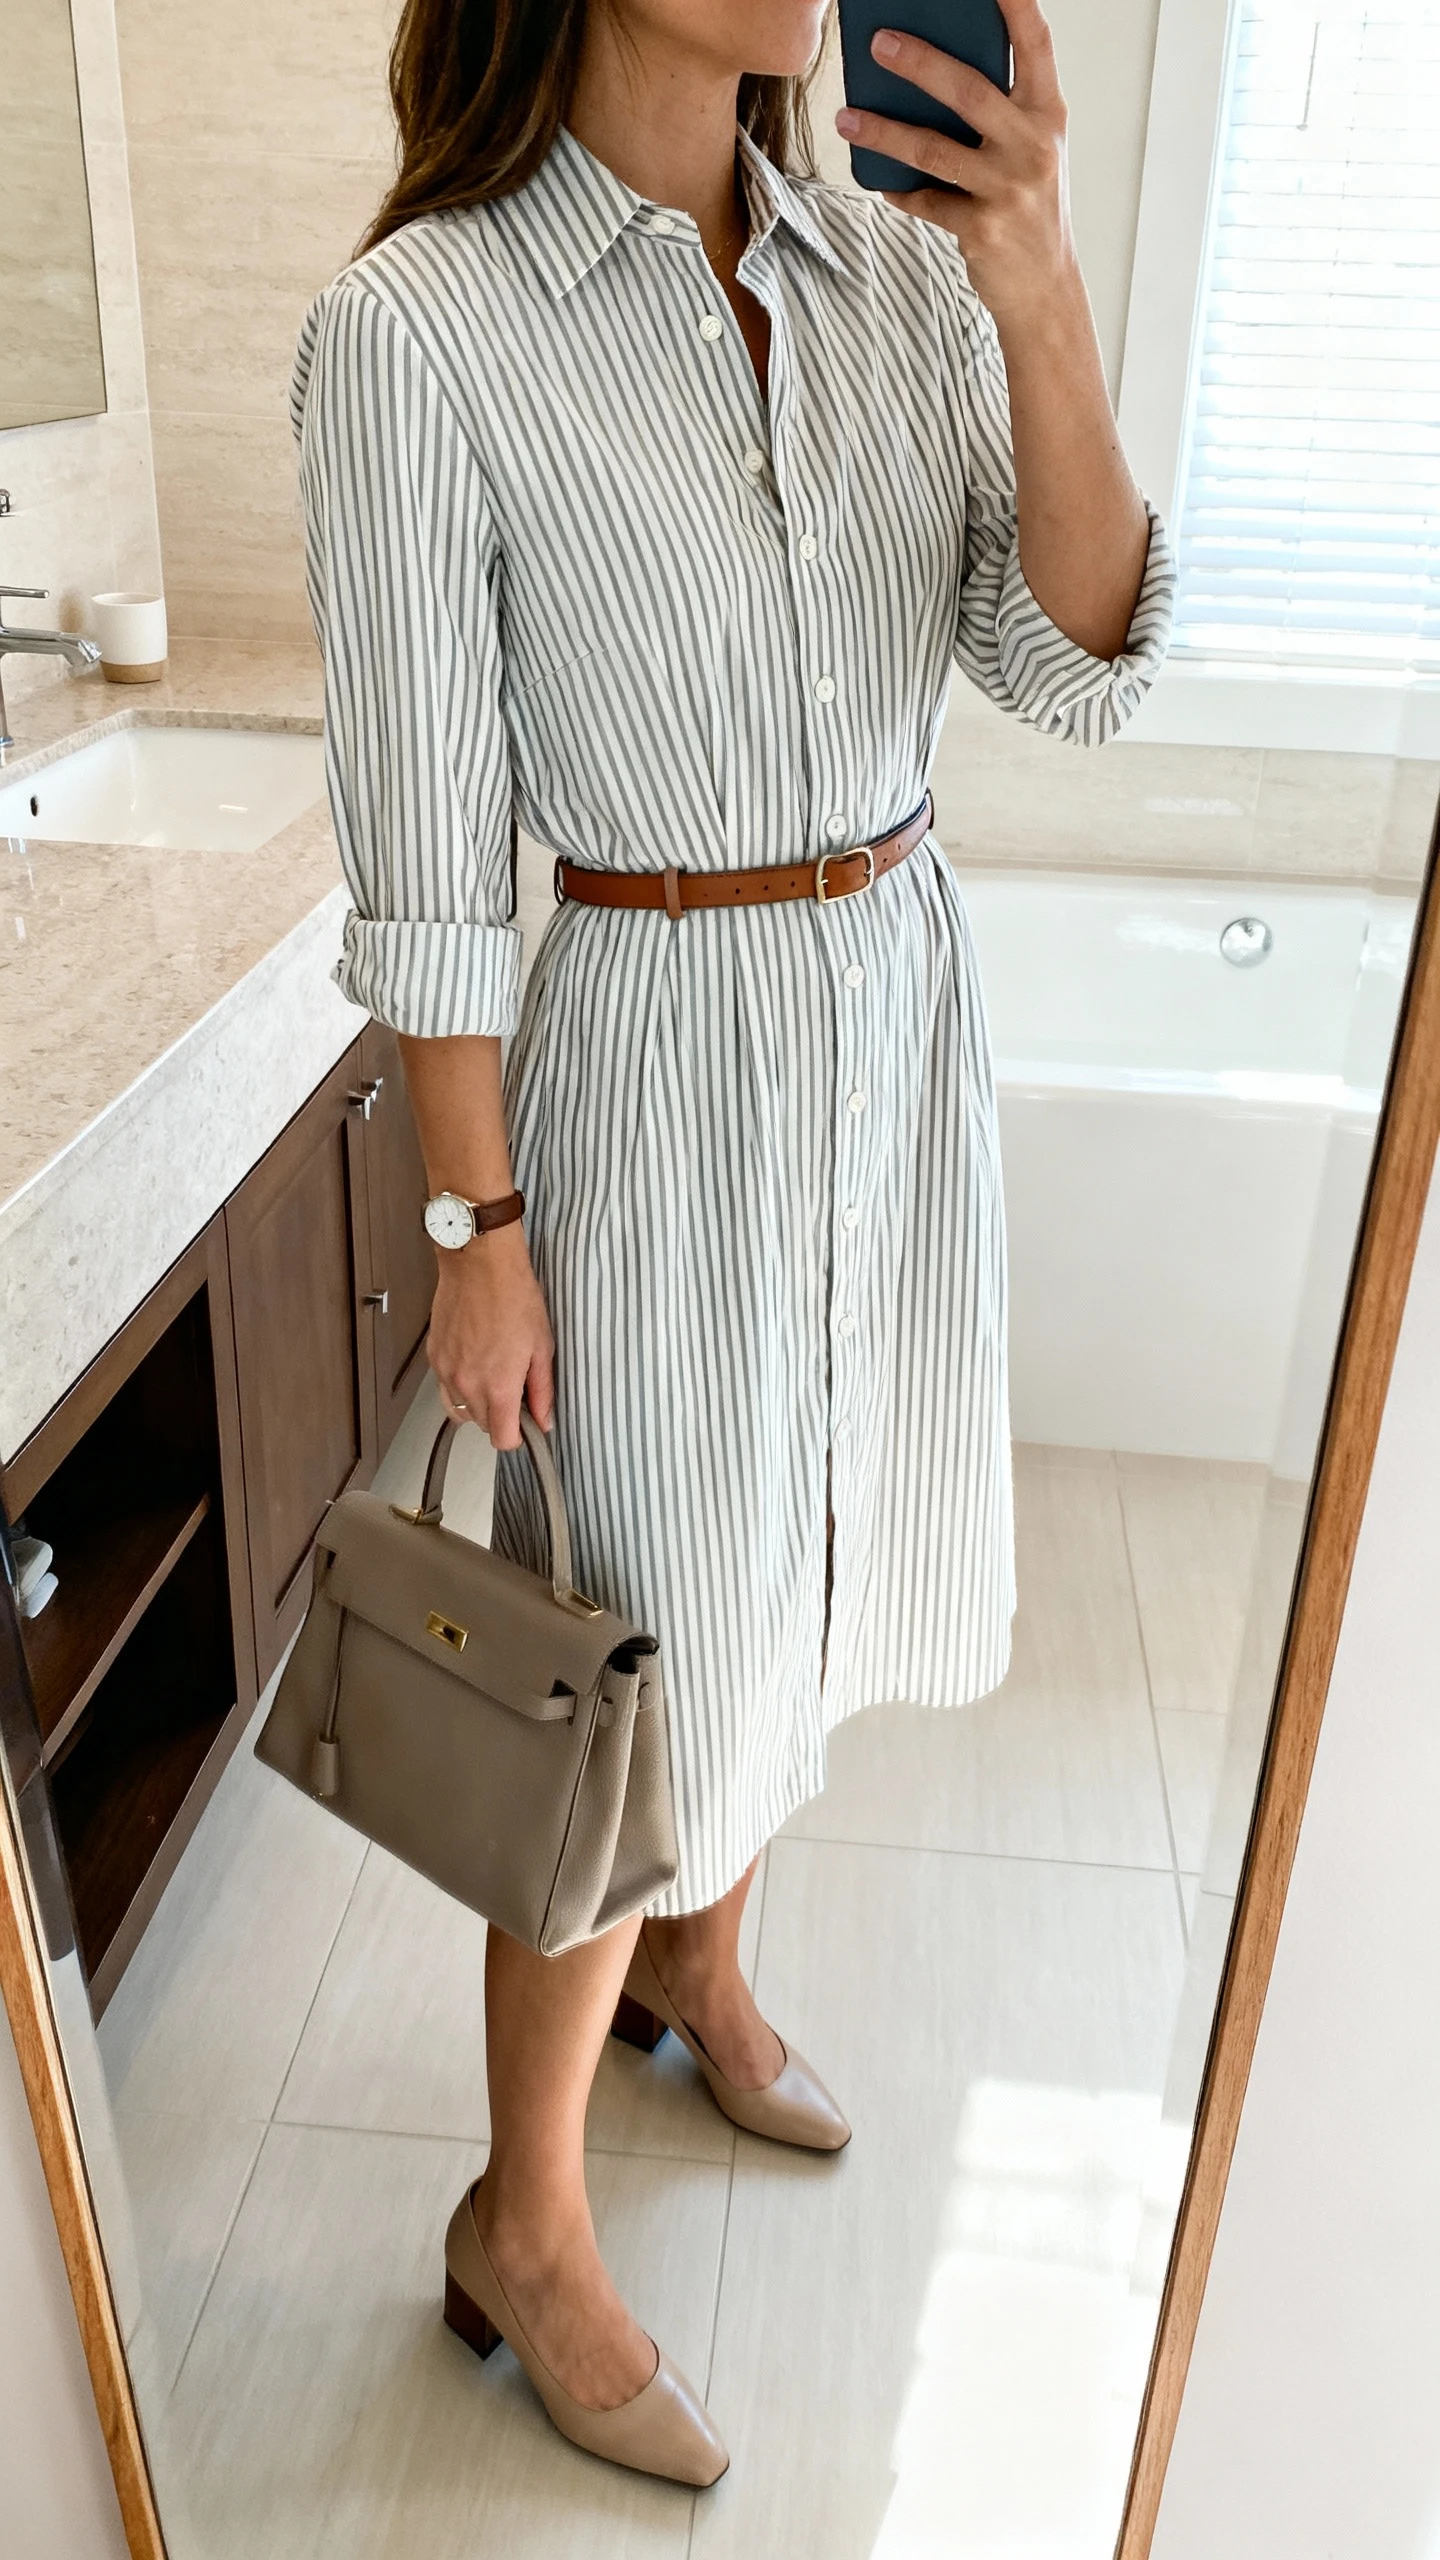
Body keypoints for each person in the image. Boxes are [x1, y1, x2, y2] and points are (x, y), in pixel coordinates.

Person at [291, 0, 1172, 2488]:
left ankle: (710, 1957)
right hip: (653, 1043)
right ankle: (526, 2219)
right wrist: (480, 1217)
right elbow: (432, 854)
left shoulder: (895, 269)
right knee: (641, 1647)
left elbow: (1075, 667)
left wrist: (1040, 292)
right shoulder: (420, 333)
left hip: (891, 1012)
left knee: (812, 1545)